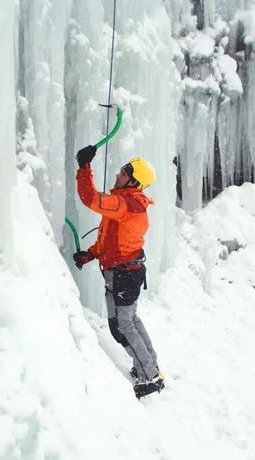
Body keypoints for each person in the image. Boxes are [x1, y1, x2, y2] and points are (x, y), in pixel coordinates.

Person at [74, 144, 164, 399]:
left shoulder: (128, 204)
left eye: (124, 173)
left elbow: (90, 199)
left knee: (123, 325)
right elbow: (110, 239)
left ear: (133, 180)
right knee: (127, 322)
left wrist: (84, 167)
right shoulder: (127, 204)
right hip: (125, 271)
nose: (118, 174)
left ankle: (150, 376)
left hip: (125, 273)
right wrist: (90, 254)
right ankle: (149, 366)